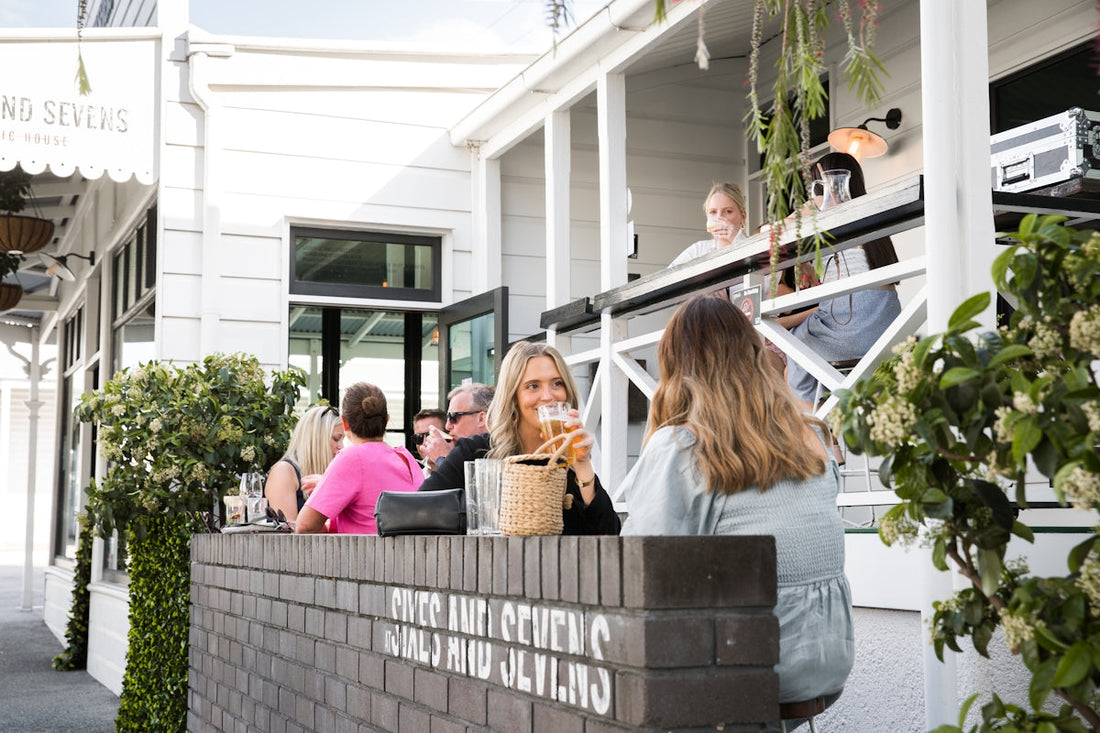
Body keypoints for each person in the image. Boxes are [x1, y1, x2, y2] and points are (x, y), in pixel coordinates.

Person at [619, 295, 853, 711]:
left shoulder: (682, 445)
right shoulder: (811, 436)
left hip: (755, 668)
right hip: (829, 658)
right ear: (753, 354)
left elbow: (638, 569)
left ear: (676, 365)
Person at [419, 342, 621, 536]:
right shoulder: (477, 452)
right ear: (513, 397)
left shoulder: (567, 462)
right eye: (533, 386)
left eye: (557, 383)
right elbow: (418, 510)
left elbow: (608, 534)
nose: (548, 396)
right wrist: (478, 508)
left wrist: (583, 464)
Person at [781, 151, 901, 404]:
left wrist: (808, 208)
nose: (815, 194)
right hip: (889, 328)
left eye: (818, 185)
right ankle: (835, 414)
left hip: (850, 327)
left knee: (795, 347)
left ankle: (821, 427)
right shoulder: (873, 221)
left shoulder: (826, 219)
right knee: (806, 348)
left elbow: (776, 231)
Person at [296, 383, 423, 534]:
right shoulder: (405, 457)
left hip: (366, 555)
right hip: (410, 554)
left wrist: (328, 530)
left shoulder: (351, 458)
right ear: (387, 420)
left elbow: (305, 526)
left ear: (344, 423)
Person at [264, 405, 344, 521]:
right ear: (316, 440)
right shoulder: (284, 472)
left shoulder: (333, 473)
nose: (341, 446)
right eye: (336, 439)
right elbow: (288, 532)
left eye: (342, 440)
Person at [669, 182, 749, 267]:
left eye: (728, 211)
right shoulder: (698, 250)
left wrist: (735, 239)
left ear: (743, 216)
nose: (719, 217)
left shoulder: (753, 247)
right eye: (713, 212)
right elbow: (667, 276)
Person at [420, 382, 494, 470]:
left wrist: (443, 458)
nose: (447, 426)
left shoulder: (501, 452)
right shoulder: (466, 453)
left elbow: (459, 483)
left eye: (453, 417)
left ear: (481, 419)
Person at [411, 408, 447, 475]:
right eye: (419, 437)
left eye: (430, 435)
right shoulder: (417, 480)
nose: (424, 443)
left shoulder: (466, 472)